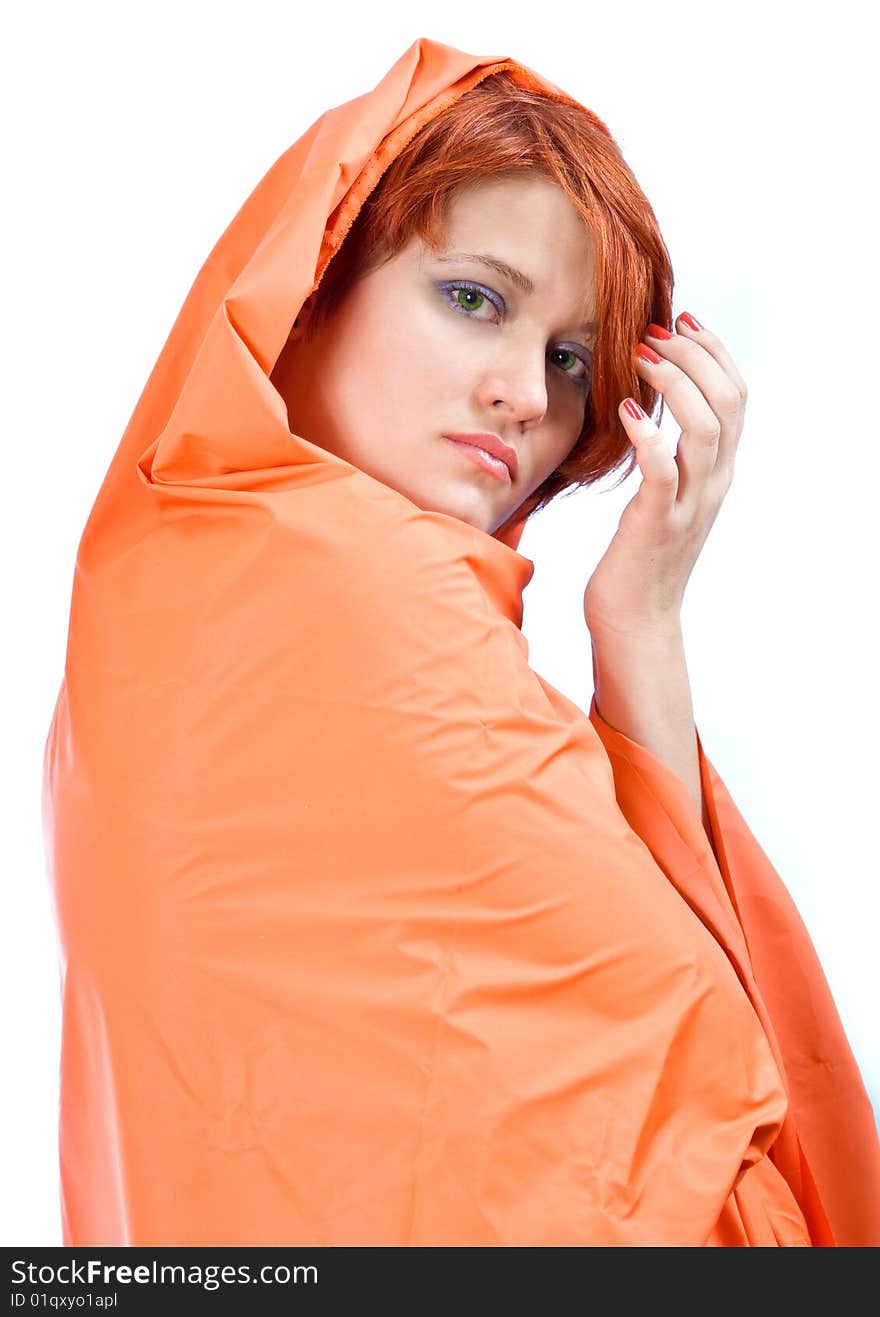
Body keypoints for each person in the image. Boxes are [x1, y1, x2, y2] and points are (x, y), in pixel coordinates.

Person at [42, 37, 880, 1247]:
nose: (529, 398)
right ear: (313, 281)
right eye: (472, 298)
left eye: (570, 358)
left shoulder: (155, 586)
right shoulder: (363, 608)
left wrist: (634, 620)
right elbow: (705, 1097)